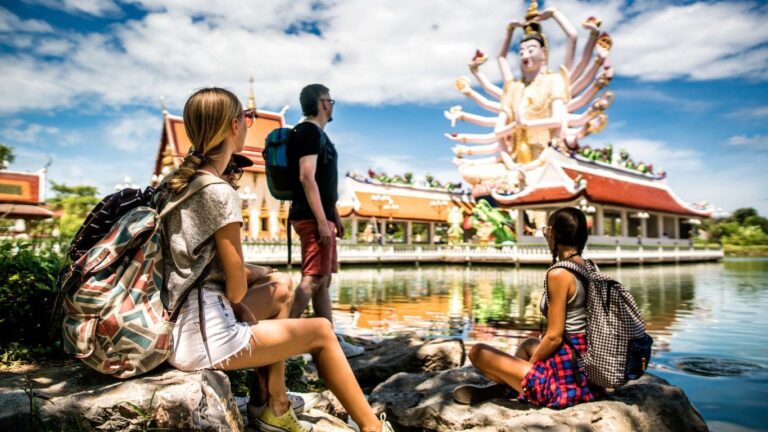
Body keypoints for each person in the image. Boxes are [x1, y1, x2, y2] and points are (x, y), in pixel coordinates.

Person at [160, 87, 393, 432]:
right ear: (232, 126)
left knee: (282, 287)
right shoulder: (218, 191)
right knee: (322, 331)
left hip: (182, 324)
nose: (248, 124)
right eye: (247, 118)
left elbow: (195, 264)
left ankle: (272, 404)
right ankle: (372, 428)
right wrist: (243, 287)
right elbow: (236, 290)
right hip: (204, 337)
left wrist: (253, 274)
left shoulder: (175, 185)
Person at [453, 207, 601, 408]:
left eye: (547, 230)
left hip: (566, 382)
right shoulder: (591, 266)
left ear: (553, 233)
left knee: (477, 351)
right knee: (528, 344)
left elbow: (554, 337)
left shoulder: (560, 274)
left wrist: (530, 368)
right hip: (586, 366)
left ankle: (517, 385)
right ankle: (511, 384)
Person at [223, 152, 321, 416]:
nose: (235, 177)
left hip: (200, 306)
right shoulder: (216, 198)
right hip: (202, 319)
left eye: (238, 171)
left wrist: (256, 271)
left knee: (277, 283)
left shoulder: (196, 194)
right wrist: (257, 273)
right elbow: (231, 283)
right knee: (281, 287)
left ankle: (268, 397)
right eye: (230, 168)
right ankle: (273, 400)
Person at [287, 83, 364, 358]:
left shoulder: (319, 135)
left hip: (321, 216)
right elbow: (307, 176)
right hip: (311, 217)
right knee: (312, 279)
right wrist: (321, 220)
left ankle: (328, 338)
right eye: (330, 100)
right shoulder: (308, 131)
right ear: (322, 103)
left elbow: (324, 183)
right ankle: (281, 339)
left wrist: (334, 217)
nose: (332, 105)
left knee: (323, 279)